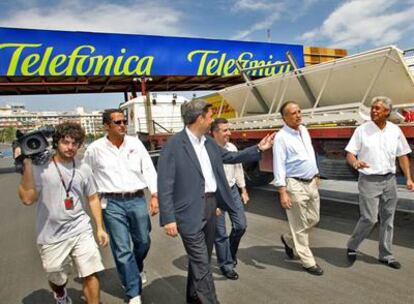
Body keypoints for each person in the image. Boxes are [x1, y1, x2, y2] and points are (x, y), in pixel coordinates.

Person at [158, 99, 274, 304]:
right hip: (188, 212)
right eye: (210, 116)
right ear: (199, 118)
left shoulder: (209, 142)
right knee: (202, 262)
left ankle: (193, 298)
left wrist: (258, 148)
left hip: (211, 207)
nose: (212, 120)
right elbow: (165, 183)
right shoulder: (174, 145)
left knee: (199, 260)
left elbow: (230, 156)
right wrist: (168, 218)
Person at [17, 122, 109, 304]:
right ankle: (60, 292)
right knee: (56, 277)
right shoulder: (39, 167)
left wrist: (99, 228)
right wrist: (27, 162)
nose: (70, 147)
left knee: (90, 273)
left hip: (80, 229)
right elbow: (27, 199)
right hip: (51, 235)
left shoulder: (83, 168)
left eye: (75, 143)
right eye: (66, 142)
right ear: (57, 143)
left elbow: (92, 198)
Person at [84, 109, 158, 304]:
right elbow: (85, 175)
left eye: (124, 121)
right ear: (106, 126)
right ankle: (133, 292)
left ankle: (136, 267)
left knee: (143, 241)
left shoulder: (135, 144)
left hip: (137, 199)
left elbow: (149, 169)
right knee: (122, 249)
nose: (123, 124)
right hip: (111, 203)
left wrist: (155, 195)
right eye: (117, 122)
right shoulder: (94, 149)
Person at [345, 96, 413, 269]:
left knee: (388, 219)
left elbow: (403, 155)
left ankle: (386, 254)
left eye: (378, 108)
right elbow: (350, 153)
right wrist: (355, 162)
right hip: (369, 180)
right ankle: (352, 246)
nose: (373, 111)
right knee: (369, 218)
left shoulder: (395, 130)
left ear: (387, 112)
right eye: (373, 107)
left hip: (389, 180)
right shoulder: (362, 130)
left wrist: (408, 178)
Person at [273, 101, 323, 276]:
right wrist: (282, 192)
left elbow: (310, 153)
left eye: (299, 111)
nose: (298, 115)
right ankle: (308, 261)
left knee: (314, 218)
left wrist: (316, 174)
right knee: (299, 225)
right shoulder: (281, 137)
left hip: (311, 182)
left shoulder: (304, 130)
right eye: (293, 113)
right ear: (285, 117)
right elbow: (278, 165)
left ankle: (288, 239)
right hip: (294, 184)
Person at [211, 118, 250, 280]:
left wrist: (243, 190)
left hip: (233, 190)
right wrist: (212, 203)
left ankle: (230, 252)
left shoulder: (232, 147)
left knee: (241, 225)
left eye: (229, 129)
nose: (229, 133)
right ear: (214, 133)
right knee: (220, 233)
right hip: (215, 193)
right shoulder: (207, 150)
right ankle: (226, 265)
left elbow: (238, 168)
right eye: (225, 130)